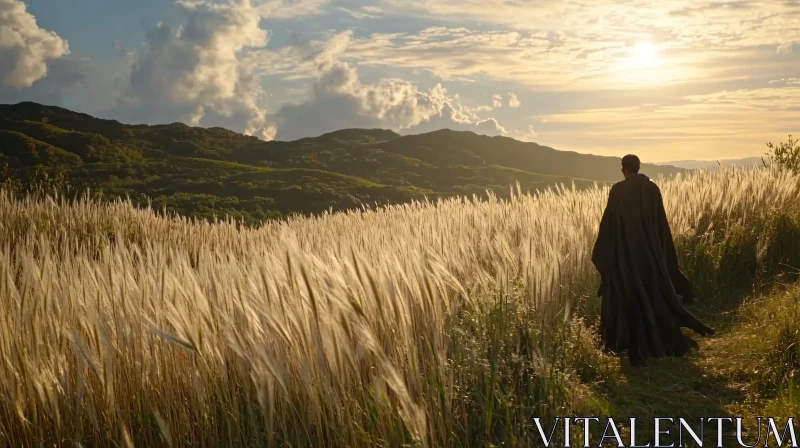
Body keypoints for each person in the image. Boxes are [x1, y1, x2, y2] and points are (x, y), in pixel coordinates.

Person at [591, 154, 715, 366]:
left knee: (625, 293)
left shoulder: (618, 191)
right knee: (653, 291)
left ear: (624, 169)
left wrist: (606, 258)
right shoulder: (652, 190)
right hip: (651, 258)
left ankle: (622, 341)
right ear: (639, 168)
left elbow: (608, 227)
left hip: (625, 258)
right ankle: (660, 334)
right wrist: (663, 256)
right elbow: (661, 226)